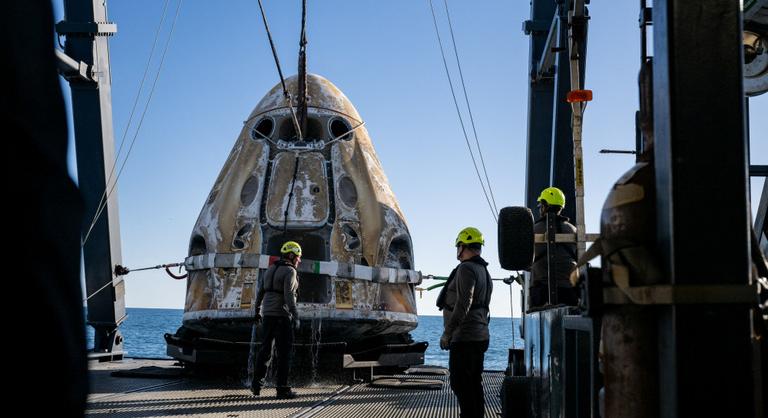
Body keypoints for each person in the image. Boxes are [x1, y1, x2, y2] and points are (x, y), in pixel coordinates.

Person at [436, 227, 493, 418]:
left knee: (460, 384)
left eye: (458, 247)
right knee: (473, 384)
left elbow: (463, 303)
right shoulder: (484, 270)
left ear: (463, 247)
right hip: (479, 336)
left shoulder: (466, 268)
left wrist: (447, 333)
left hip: (466, 338)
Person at [251, 241, 302, 399]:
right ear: (292, 255)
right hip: (282, 316)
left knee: (265, 350)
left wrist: (257, 310)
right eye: (298, 257)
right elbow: (288, 296)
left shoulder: (270, 269)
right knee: (284, 353)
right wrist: (296, 316)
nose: (299, 260)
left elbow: (260, 291)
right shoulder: (290, 271)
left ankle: (256, 385)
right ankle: (282, 389)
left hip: (268, 315)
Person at [530, 186, 579, 307]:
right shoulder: (574, 230)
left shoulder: (533, 230)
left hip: (542, 294)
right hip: (571, 292)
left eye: (540, 206)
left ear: (544, 206)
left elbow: (524, 261)